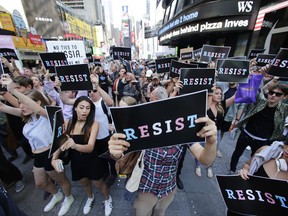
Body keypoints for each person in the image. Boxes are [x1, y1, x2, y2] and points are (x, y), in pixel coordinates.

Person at [108, 86, 218, 216]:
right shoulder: (142, 123)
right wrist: (116, 153)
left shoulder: (181, 128)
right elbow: (122, 152)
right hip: (146, 188)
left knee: (160, 213)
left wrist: (211, 142)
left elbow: (205, 159)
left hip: (168, 189)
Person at [0, 75, 74, 216]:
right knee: (40, 183)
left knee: (62, 180)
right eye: (20, 103)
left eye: (24, 103)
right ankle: (56, 195)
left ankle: (68, 198)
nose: (21, 106)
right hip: (37, 155)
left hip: (51, 154)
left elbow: (39, 110)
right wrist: (4, 90)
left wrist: (14, 91)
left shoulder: (47, 114)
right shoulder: (26, 115)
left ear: (38, 102)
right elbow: (2, 106)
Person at [52, 96, 113, 216]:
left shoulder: (94, 124)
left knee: (98, 183)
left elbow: (90, 147)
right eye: (81, 107)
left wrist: (74, 145)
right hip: (76, 160)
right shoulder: (67, 123)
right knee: (84, 182)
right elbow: (59, 142)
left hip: (92, 159)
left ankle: (107, 199)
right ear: (75, 108)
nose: (84, 111)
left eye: (88, 108)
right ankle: (90, 198)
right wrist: (54, 158)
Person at [229, 82, 288, 173]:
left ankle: (247, 174)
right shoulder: (261, 102)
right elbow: (252, 88)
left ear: (284, 97)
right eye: (271, 92)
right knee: (237, 153)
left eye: (278, 94)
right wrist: (270, 80)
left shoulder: (284, 109)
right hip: (246, 135)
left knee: (255, 160)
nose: (273, 95)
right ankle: (232, 170)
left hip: (262, 141)